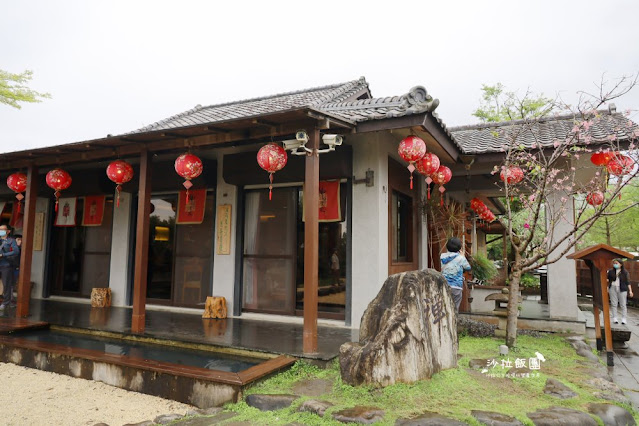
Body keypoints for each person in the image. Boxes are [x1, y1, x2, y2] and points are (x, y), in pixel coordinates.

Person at [440, 237, 471, 312]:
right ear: (459, 247)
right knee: (454, 308)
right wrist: (462, 256)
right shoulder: (460, 258)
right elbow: (468, 267)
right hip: (456, 286)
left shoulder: (442, 256)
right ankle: (453, 322)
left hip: (444, 285)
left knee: (445, 306)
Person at [607, 258, 633, 325]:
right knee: (614, 303)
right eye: (614, 263)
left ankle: (624, 318)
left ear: (621, 264)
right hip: (612, 287)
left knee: (623, 304)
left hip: (622, 288)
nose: (615, 265)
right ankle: (615, 318)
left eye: (616, 263)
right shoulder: (610, 271)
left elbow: (628, 282)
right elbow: (607, 279)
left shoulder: (625, 272)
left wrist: (630, 291)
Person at [0, 224, 20, 310]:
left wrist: (3, 254)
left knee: (6, 284)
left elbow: (16, 251)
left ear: (8, 231)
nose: (0, 231)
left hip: (6, 265)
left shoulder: (11, 241)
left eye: (2, 230)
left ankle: (6, 302)